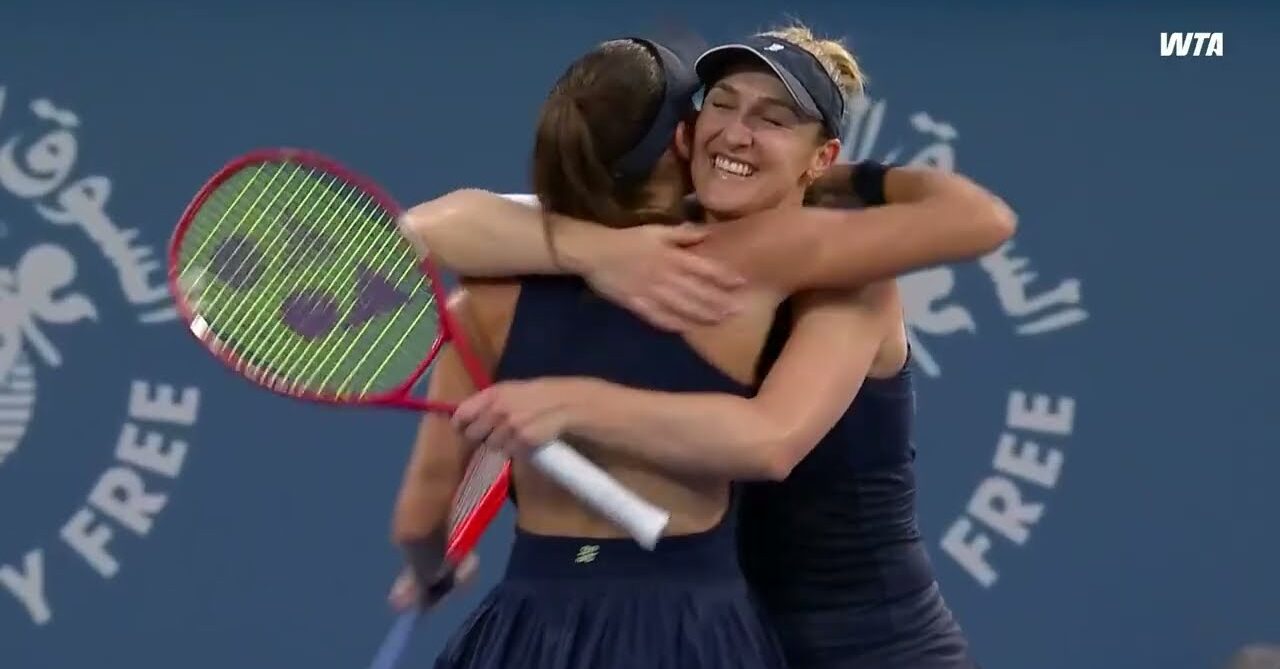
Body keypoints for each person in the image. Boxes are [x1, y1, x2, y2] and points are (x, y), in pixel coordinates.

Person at [407, 24, 1006, 669]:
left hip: (872, 650)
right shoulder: (666, 243)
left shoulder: (844, 275)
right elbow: (432, 227)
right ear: (687, 136)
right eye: (722, 105)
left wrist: (854, 181)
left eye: (774, 120)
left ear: (821, 157)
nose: (738, 133)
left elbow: (769, 443)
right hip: (731, 635)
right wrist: (601, 250)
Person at [393, 34, 814, 669]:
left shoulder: (481, 303)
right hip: (691, 629)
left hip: (525, 630)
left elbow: (421, 515)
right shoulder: (741, 283)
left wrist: (435, 571)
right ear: (680, 143)